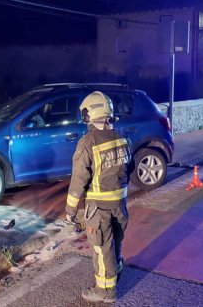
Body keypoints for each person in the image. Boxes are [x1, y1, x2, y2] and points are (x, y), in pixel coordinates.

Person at [65, 91, 132, 303]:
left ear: (90, 114)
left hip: (99, 207)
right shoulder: (122, 136)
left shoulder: (88, 142)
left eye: (85, 113)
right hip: (120, 202)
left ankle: (105, 291)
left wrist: (70, 210)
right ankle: (116, 273)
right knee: (116, 242)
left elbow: (78, 180)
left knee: (103, 249)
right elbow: (127, 168)